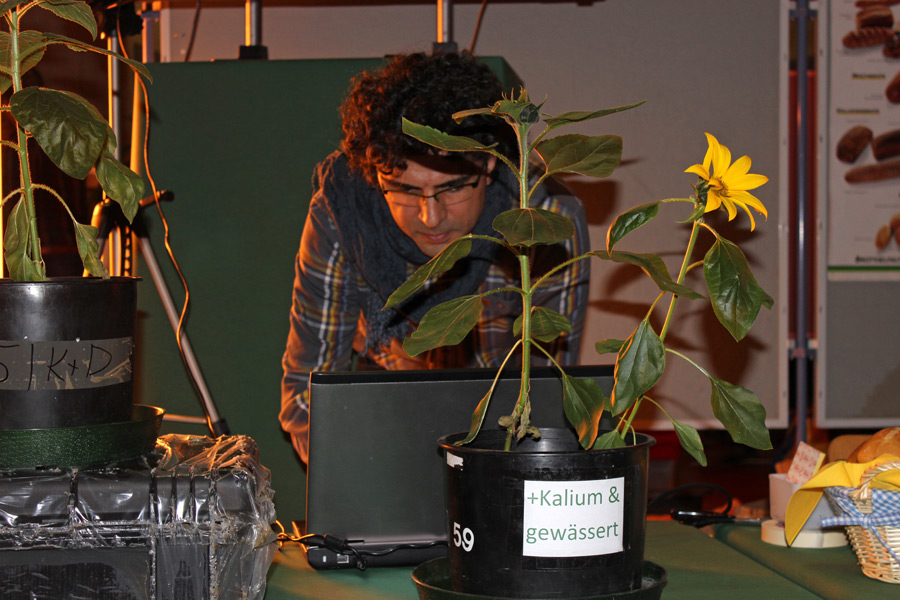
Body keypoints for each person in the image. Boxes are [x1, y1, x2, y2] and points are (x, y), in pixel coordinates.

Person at [280, 51, 590, 463]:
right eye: (405, 190)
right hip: (384, 416)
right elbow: (307, 396)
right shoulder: (343, 209)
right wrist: (358, 482)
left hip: (496, 435)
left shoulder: (544, 221)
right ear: (375, 176)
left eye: (453, 188)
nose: (431, 217)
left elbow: (543, 401)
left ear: (490, 167)